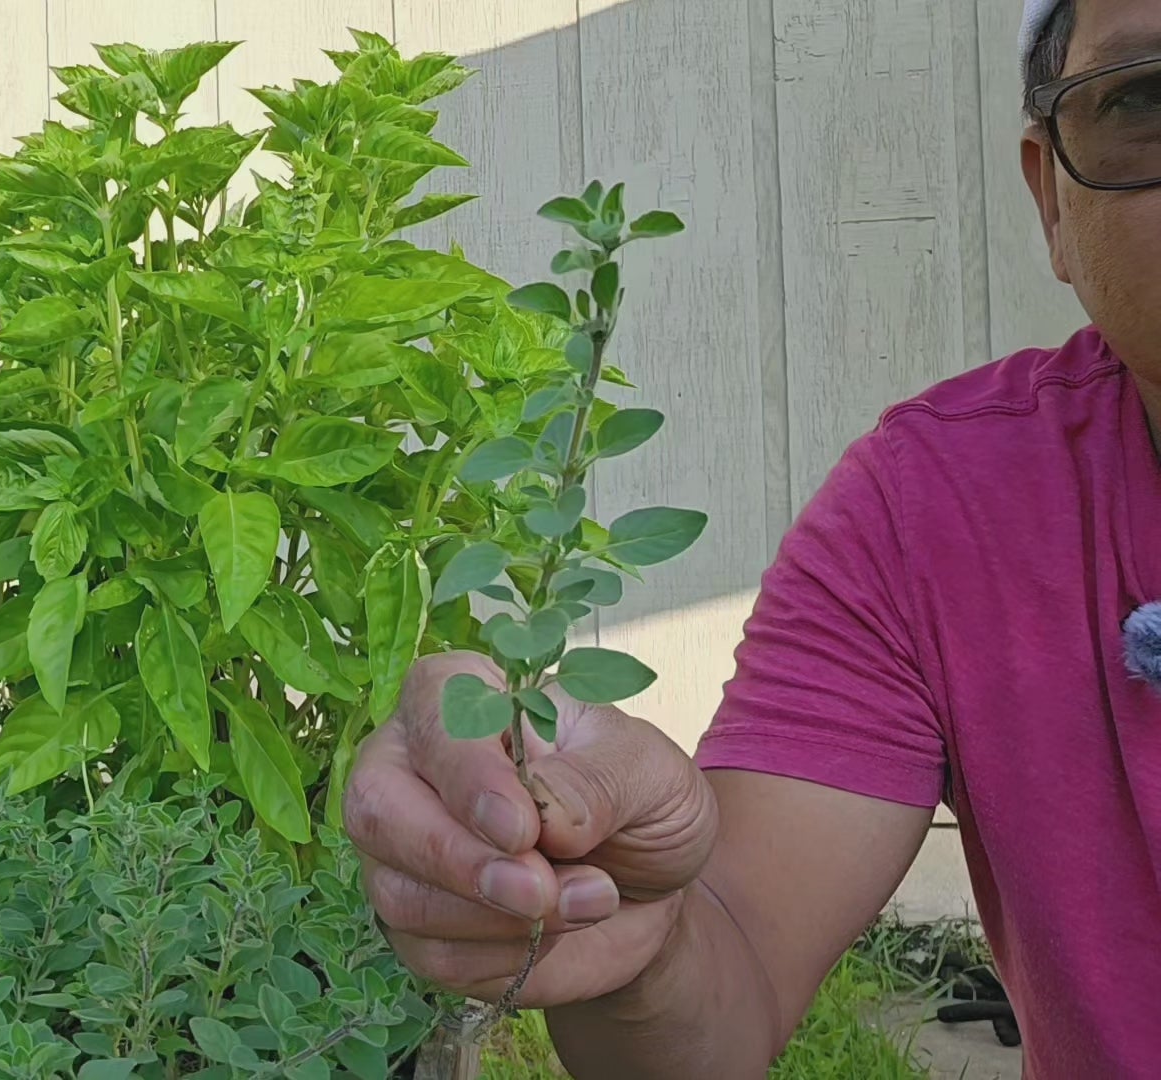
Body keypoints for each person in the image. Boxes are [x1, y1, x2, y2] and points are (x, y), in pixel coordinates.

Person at [342, 1, 1161, 1076]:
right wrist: (633, 913)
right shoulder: (941, 511)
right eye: (1143, 98)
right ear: (1052, 195)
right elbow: (716, 1002)